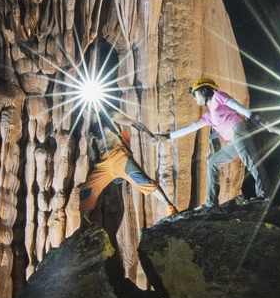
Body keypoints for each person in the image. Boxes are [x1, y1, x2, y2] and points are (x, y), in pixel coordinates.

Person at [167, 76, 267, 206]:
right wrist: (167, 136)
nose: (194, 98)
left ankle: (264, 195)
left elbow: (235, 105)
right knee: (213, 162)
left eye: (195, 94)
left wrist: (252, 116)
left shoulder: (218, 96)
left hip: (239, 130)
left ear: (203, 91)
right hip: (232, 140)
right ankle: (211, 203)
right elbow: (190, 128)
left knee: (251, 161)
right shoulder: (208, 116)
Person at [77, 108, 165, 242]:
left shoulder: (109, 116)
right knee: (86, 190)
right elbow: (93, 156)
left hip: (119, 156)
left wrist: (150, 134)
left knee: (143, 181)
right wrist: (89, 142)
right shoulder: (90, 130)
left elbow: (133, 123)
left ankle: (170, 206)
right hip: (104, 164)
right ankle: (84, 226)